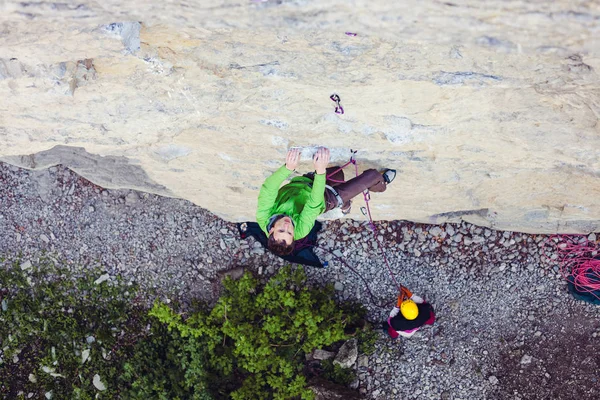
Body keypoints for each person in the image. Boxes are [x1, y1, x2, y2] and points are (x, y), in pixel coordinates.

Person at [256, 147, 396, 256]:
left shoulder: (263, 216)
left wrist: (288, 168)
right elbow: (313, 204)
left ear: (271, 230)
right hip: (326, 198)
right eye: (290, 233)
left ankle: (346, 204)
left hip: (305, 182)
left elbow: (268, 189)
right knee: (372, 176)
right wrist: (320, 171)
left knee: (338, 173)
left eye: (281, 230)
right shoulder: (302, 230)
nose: (287, 226)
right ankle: (380, 184)